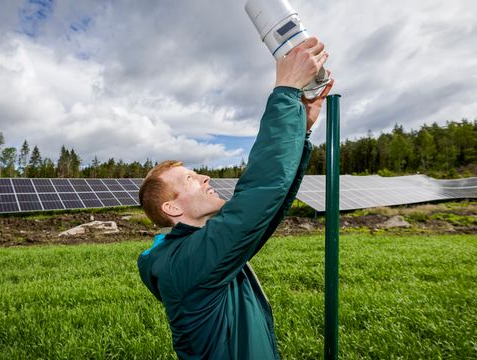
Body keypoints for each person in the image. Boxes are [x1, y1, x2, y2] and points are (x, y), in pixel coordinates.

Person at [137, 37, 333, 359]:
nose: (205, 177)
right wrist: (284, 92)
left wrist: (302, 129)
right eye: (190, 178)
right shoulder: (185, 265)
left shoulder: (197, 251)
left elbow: (264, 210)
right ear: (171, 207)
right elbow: (257, 195)